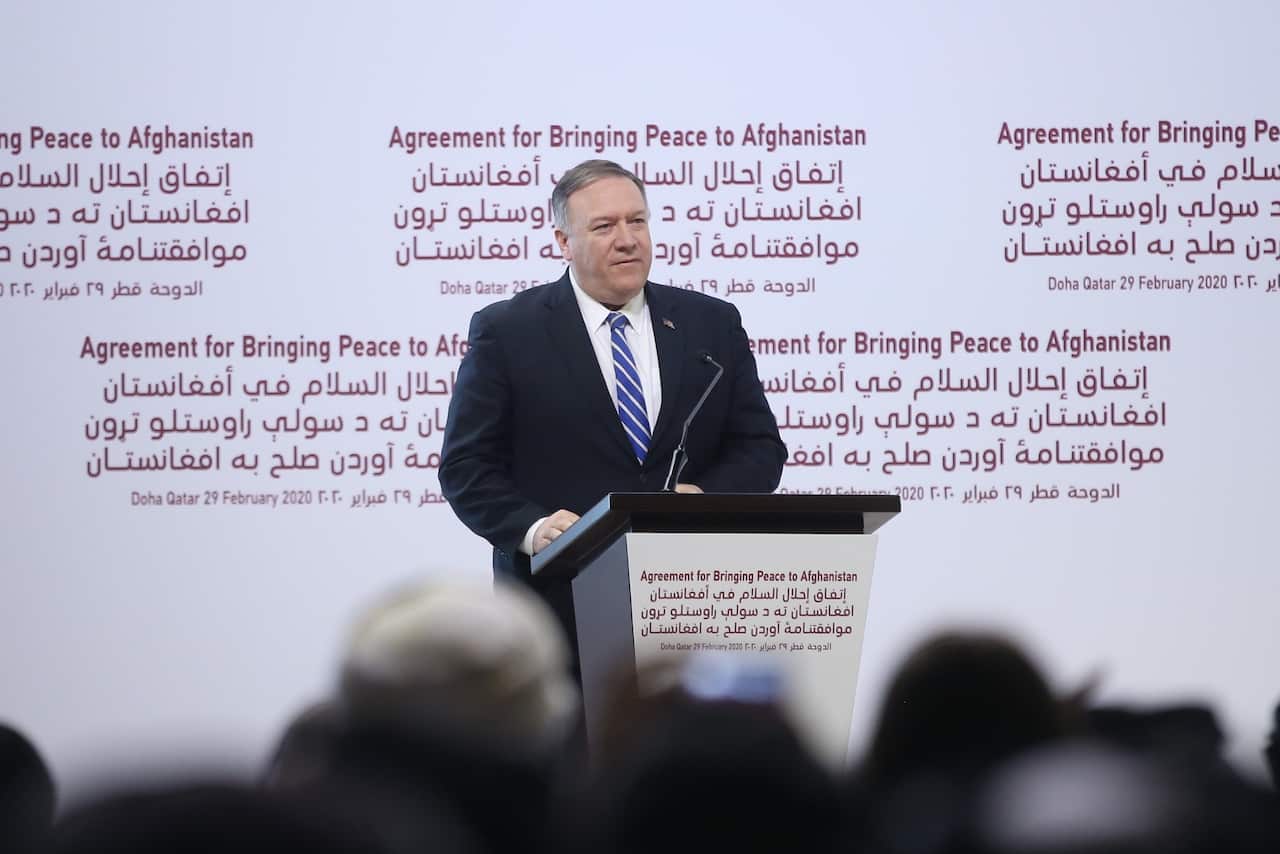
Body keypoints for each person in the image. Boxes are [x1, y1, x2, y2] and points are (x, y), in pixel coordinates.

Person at [439, 158, 786, 659]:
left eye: (637, 221)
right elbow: (466, 466)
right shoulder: (508, 332)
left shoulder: (711, 324)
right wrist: (535, 529)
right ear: (563, 242)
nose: (627, 239)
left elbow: (759, 447)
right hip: (559, 607)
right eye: (603, 227)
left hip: (691, 602)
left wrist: (705, 495)